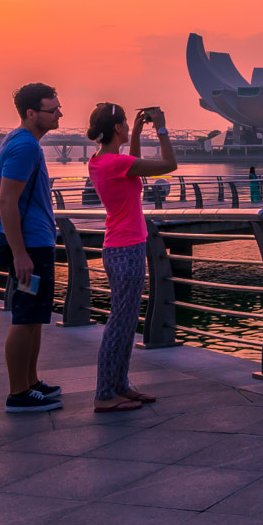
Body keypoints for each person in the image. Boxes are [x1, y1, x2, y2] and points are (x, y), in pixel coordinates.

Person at [85, 103, 176, 413]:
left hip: (119, 247)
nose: (127, 126)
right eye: (125, 123)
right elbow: (168, 164)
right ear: (117, 129)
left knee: (124, 321)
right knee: (119, 323)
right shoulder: (115, 163)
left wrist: (136, 132)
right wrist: (161, 128)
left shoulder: (100, 160)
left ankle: (120, 386)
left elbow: (131, 161)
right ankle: (104, 393)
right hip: (126, 249)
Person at [0, 82, 65, 414]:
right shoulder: (25, 146)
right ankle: (17, 393)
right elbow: (6, 201)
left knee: (36, 316)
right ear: (31, 113)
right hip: (31, 247)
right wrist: (20, 253)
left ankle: (31, 382)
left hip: (37, 243)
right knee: (24, 317)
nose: (59, 114)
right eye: (53, 110)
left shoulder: (20, 141)